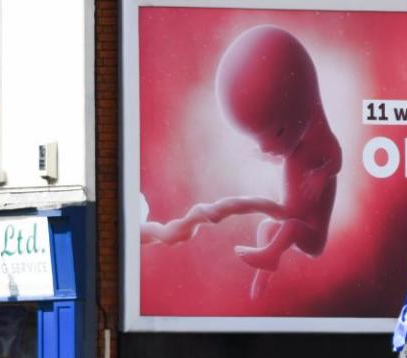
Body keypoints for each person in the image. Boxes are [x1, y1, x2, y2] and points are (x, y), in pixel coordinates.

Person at [140, 25, 342, 300]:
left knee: (288, 228)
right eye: (259, 140)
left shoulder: (322, 141)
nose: (268, 148)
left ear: (304, 101)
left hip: (310, 232)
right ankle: (265, 268)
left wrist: (322, 175)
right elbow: (288, 157)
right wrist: (270, 152)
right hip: (288, 214)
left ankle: (269, 256)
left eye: (277, 132)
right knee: (266, 228)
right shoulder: (298, 143)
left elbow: (336, 159)